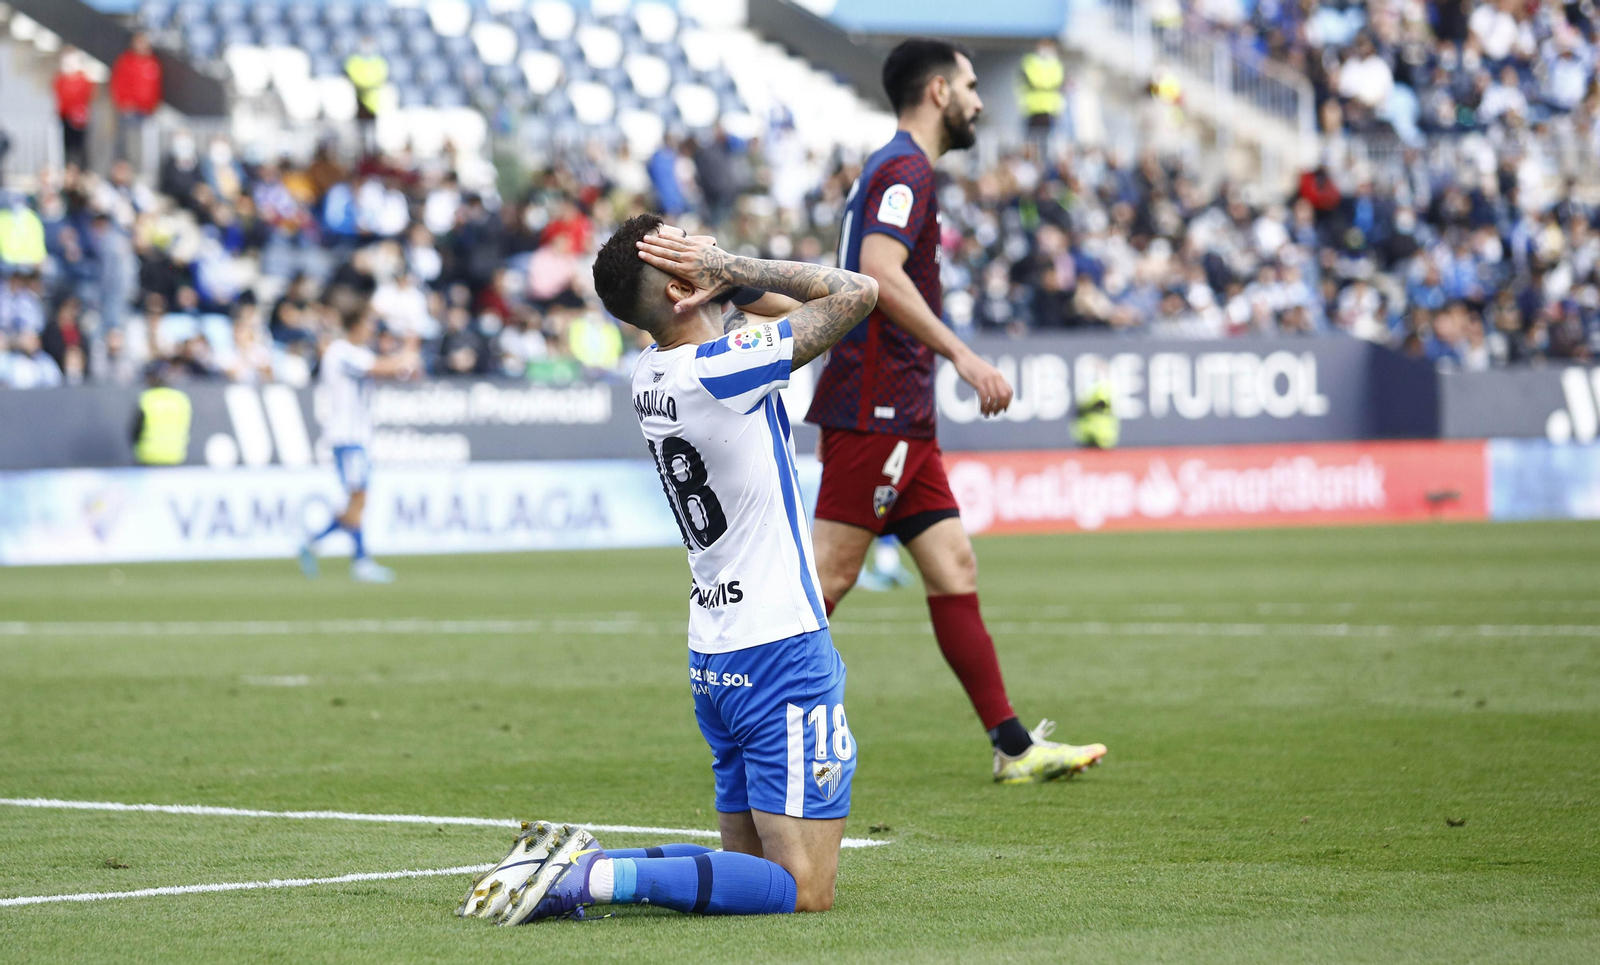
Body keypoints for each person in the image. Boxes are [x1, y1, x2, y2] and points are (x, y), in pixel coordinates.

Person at [462, 215, 878, 925]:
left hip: (714, 649)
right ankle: (590, 877)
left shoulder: (653, 370)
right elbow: (856, 293)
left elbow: (772, 310)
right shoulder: (720, 368)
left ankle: (576, 868)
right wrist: (734, 263)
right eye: (693, 245)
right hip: (779, 646)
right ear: (684, 289)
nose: (710, 245)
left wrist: (715, 277)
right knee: (802, 886)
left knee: (743, 872)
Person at [745, 39, 1106, 784]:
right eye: (973, 86)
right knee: (828, 579)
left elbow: (849, 280)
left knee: (953, 564)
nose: (981, 100)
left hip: (900, 412)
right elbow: (877, 274)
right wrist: (964, 357)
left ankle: (1012, 746)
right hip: (878, 407)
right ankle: (752, 724)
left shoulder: (888, 169)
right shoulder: (905, 168)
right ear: (938, 91)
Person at [297, 307, 418, 583]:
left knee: (357, 500)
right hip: (346, 438)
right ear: (356, 325)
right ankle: (356, 559)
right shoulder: (340, 352)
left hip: (358, 438)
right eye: (368, 324)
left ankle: (316, 543)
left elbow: (396, 370)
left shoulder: (357, 353)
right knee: (359, 498)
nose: (372, 330)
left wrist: (405, 358)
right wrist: (408, 349)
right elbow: (382, 367)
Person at [109, 32, 163, 166]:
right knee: (127, 145)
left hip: (147, 112)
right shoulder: (126, 61)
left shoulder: (153, 62)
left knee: (144, 148)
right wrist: (123, 103)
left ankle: (139, 173)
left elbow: (156, 87)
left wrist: (154, 105)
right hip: (129, 111)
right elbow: (118, 84)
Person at [129, 363, 191, 465]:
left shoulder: (146, 398)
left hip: (148, 459)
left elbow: (135, 431)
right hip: (176, 458)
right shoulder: (181, 399)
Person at [54, 48, 96, 171]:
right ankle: (69, 169)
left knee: (81, 147)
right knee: (68, 146)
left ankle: (82, 170)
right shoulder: (61, 79)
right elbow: (60, 96)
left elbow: (87, 96)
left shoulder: (83, 79)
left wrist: (80, 110)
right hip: (66, 116)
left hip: (80, 117)